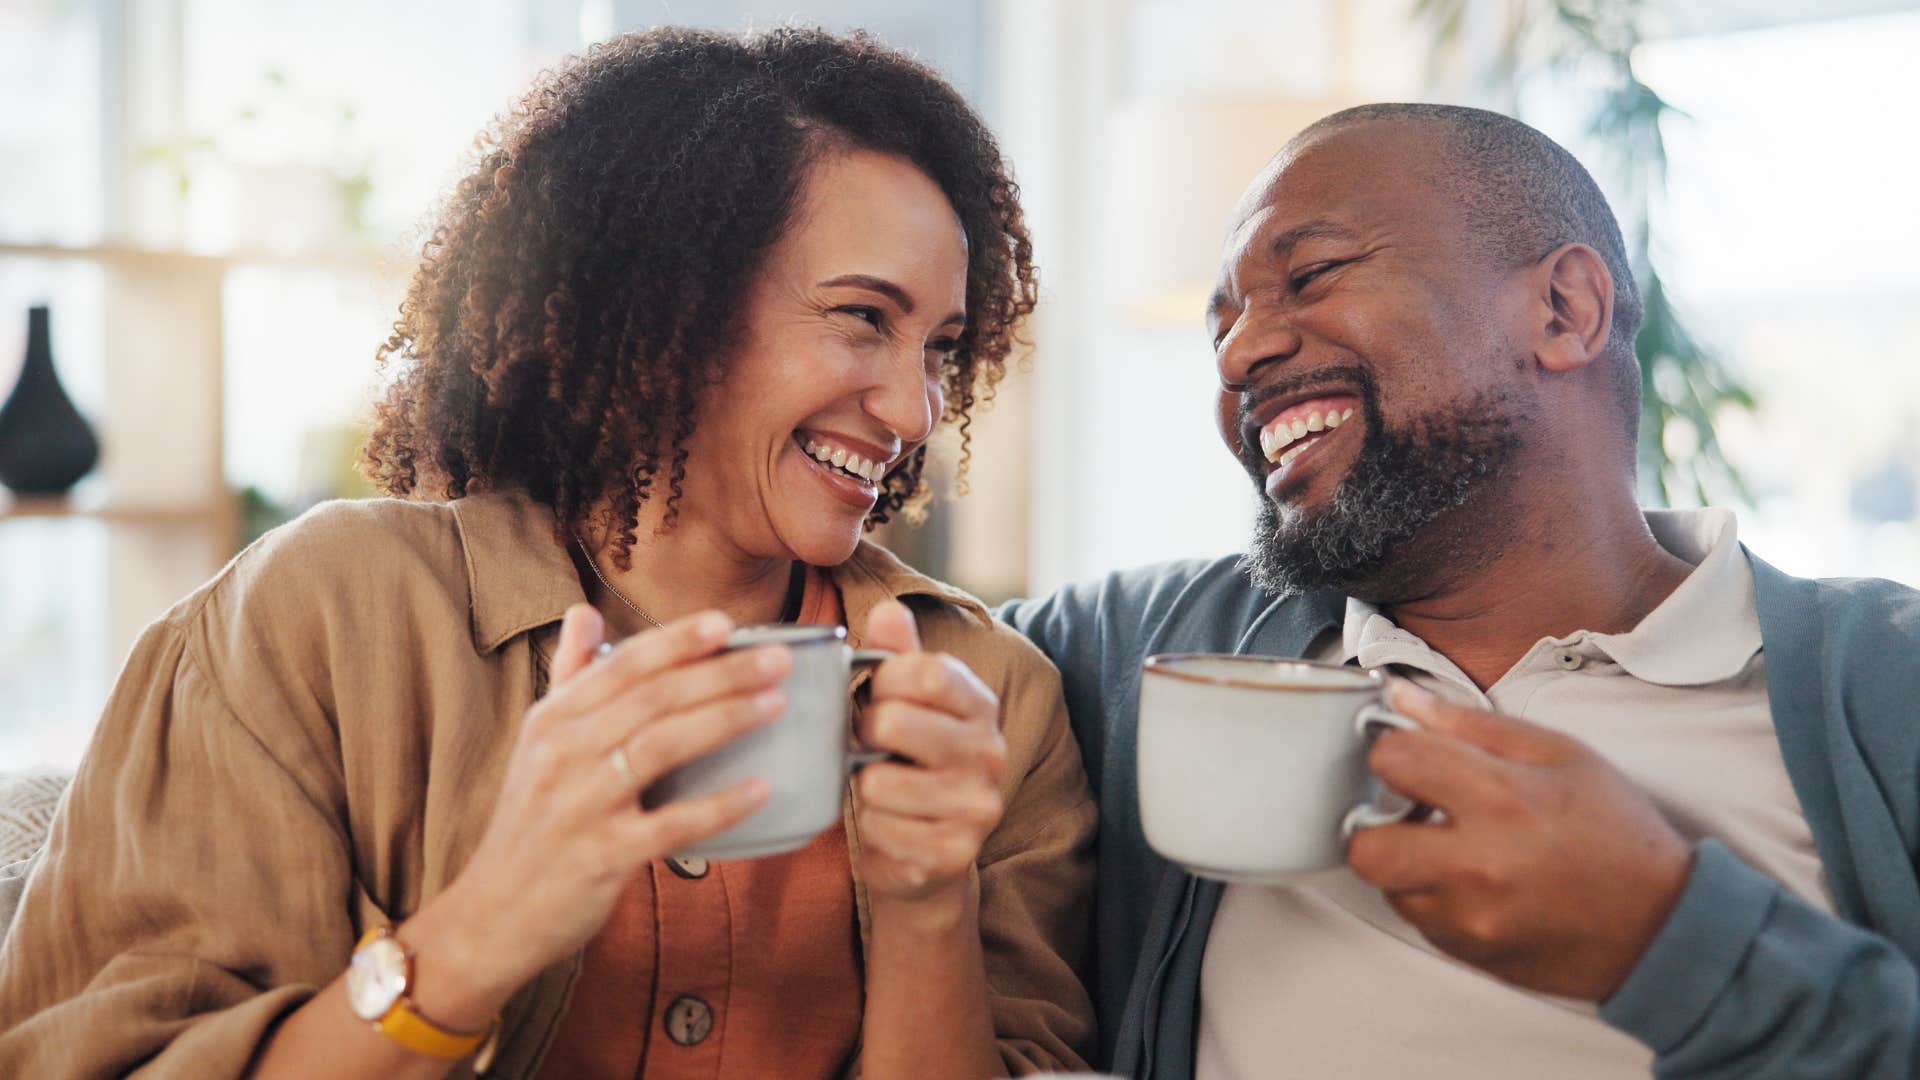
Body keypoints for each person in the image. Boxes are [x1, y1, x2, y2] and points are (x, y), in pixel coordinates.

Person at [0, 27, 1096, 1079]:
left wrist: (925, 905)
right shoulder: (320, 620)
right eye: (862, 316)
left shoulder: (992, 696)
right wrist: (487, 926)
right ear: (672, 301)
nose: (914, 407)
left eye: (943, 347)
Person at [1002, 103, 1920, 1078]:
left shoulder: (1886, 687)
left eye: (1308, 276)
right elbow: (859, 624)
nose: (1235, 360)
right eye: (1221, 329)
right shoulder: (1138, 648)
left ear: (1564, 310)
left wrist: (1671, 934)